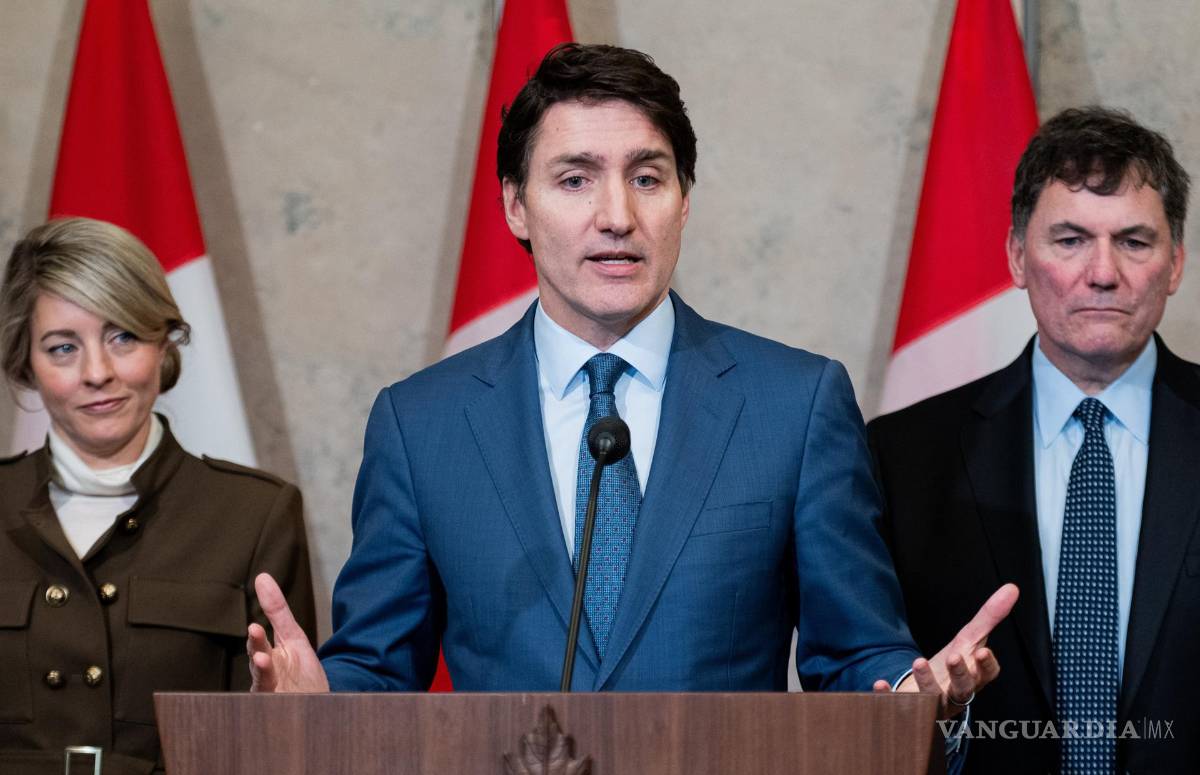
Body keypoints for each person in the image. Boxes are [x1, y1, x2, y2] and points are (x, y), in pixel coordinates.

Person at [250, 43, 1013, 732]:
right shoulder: (422, 425)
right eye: (575, 179)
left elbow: (857, 658)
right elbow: (378, 670)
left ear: (684, 200)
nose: (617, 216)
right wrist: (318, 705)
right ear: (516, 205)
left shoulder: (796, 404)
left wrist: (913, 702)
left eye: (647, 178)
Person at [868, 106, 1195, 773]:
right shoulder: (904, 456)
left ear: (1175, 264)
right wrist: (941, 714)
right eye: (1070, 240)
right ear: (1018, 256)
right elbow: (861, 687)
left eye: (1134, 241)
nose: (1103, 272)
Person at [0, 217, 316, 775]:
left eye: (123, 336)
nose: (97, 372)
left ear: (163, 342)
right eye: (63, 347)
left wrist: (286, 725)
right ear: (26, 363)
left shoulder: (255, 515)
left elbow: (283, 735)